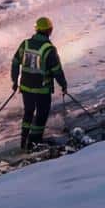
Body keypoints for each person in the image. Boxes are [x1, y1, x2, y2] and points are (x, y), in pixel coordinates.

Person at [11, 16, 67, 149]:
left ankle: (23, 141)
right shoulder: (49, 49)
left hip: (26, 87)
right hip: (42, 89)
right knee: (42, 114)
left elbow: (15, 62)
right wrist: (63, 85)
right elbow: (56, 70)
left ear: (37, 30)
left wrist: (14, 80)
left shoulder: (25, 44)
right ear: (49, 31)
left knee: (28, 112)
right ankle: (35, 141)